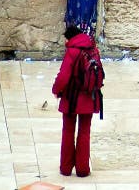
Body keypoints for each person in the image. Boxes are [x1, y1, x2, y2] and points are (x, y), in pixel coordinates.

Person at [51, 26, 102, 178]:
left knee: (68, 131)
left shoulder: (72, 51)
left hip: (71, 98)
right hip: (90, 97)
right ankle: (83, 169)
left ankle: (66, 168)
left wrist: (56, 90)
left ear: (70, 38)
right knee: (84, 132)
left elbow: (63, 76)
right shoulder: (93, 50)